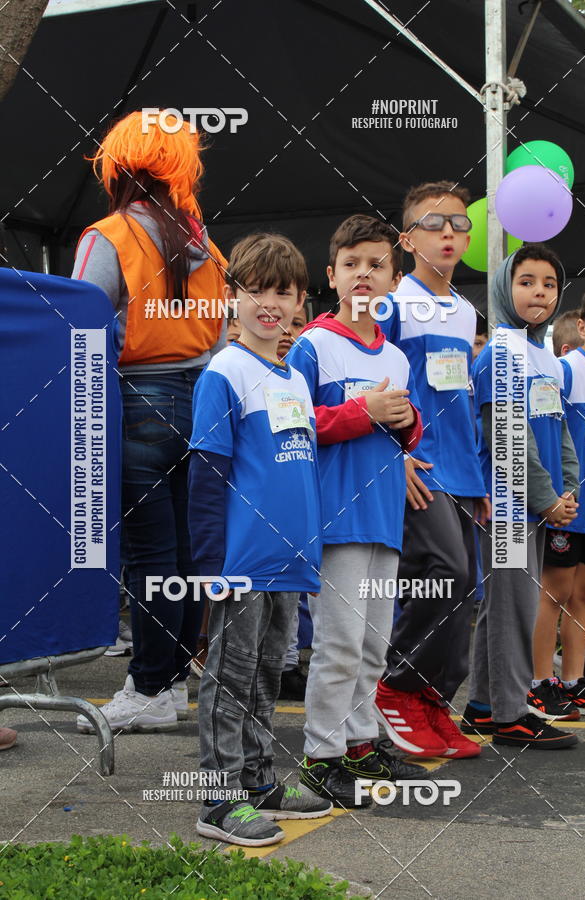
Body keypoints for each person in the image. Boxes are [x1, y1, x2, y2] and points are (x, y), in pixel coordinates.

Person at [73, 110, 227, 733]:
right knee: (185, 551)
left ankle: (149, 684)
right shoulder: (204, 244)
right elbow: (218, 336)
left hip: (138, 398)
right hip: (203, 399)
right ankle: (167, 684)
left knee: (149, 554)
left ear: (118, 165)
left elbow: (77, 331)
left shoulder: (107, 235)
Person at [189, 233, 332, 847]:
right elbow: (205, 474)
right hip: (243, 562)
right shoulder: (225, 372)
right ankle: (219, 800)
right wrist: (210, 563)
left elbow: (299, 470)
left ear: (302, 301)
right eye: (256, 291)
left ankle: (258, 779)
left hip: (290, 561)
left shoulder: (294, 377)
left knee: (271, 671)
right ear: (233, 296)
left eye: (284, 292)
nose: (269, 304)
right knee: (230, 673)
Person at [289, 214, 427, 808]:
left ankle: (360, 744)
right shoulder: (312, 345)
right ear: (332, 275)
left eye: (376, 265)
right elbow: (289, 424)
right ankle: (321, 757)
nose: (363, 275)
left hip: (381, 517)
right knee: (340, 642)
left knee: (372, 643)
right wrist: (364, 411)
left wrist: (407, 422)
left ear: (394, 280)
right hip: (335, 519)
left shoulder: (396, 356)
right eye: (351, 264)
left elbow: (410, 431)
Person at [373, 181, 489, 759]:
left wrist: (483, 481)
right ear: (408, 238)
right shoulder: (393, 305)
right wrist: (397, 457)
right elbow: (374, 380)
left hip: (463, 472)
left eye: (460, 224)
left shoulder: (467, 310)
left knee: (464, 589)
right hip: (422, 468)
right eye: (436, 223)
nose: (450, 233)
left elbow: (460, 398)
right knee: (446, 574)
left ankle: (433, 700)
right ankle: (396, 686)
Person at [462, 244, 580, 749]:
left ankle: (484, 706)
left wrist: (567, 490)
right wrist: (547, 497)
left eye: (549, 284)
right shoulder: (500, 352)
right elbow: (507, 436)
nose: (539, 292)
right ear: (504, 290)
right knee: (514, 606)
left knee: (506, 605)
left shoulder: (546, 358)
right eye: (526, 281)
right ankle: (511, 713)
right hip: (509, 504)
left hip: (538, 503)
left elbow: (562, 431)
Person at [531, 287, 585, 716]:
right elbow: (545, 431)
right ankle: (539, 681)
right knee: (553, 592)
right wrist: (554, 493)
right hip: (568, 504)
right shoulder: (566, 370)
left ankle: (575, 679)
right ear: (584, 325)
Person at [277, 301, 310, 701]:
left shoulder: (302, 378)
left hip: (303, 500)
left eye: (298, 323)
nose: (288, 329)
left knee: (297, 592)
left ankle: (289, 664)